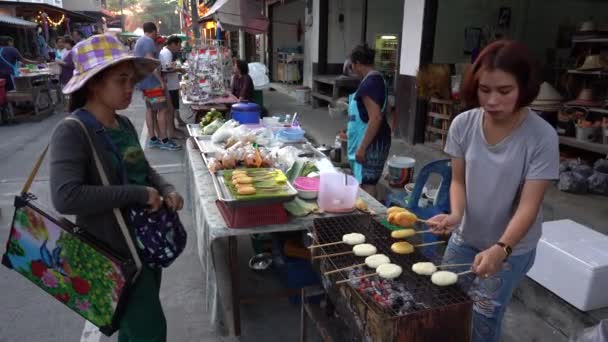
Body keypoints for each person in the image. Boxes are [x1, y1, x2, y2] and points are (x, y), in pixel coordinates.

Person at [49, 34, 184, 342]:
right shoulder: (72, 131)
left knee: (135, 327)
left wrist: (165, 188)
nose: (130, 88)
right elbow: (65, 196)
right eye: (121, 80)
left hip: (145, 245)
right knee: (149, 330)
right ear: (94, 83)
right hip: (115, 253)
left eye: (131, 80)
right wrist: (137, 194)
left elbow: (143, 170)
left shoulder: (122, 125)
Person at [427, 40, 559, 342]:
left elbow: (529, 206)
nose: (492, 100)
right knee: (446, 305)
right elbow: (458, 181)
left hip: (511, 248)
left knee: (483, 320)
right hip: (466, 236)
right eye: (485, 90)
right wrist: (456, 214)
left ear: (523, 88)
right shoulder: (463, 124)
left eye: (504, 91)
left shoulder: (542, 137)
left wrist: (502, 249)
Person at [346, 44, 391, 198]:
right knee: (368, 182)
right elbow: (389, 109)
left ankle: (368, 220)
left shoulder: (369, 84)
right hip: (377, 139)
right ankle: (368, 219)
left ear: (358, 63)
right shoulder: (378, 79)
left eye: (352, 64)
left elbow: (376, 117)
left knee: (367, 184)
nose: (352, 67)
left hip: (371, 143)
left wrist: (362, 148)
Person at [134, 22, 181, 151]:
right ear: (153, 31)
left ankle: (153, 139)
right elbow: (150, 62)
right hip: (152, 83)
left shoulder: (139, 42)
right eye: (156, 32)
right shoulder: (148, 41)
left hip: (144, 82)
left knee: (150, 110)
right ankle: (164, 140)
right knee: (162, 110)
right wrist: (160, 80)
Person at [159, 35, 187, 128]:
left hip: (171, 84)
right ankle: (172, 129)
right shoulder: (167, 53)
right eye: (178, 46)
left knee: (174, 106)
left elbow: (167, 67)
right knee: (171, 108)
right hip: (170, 85)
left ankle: (176, 124)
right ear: (173, 44)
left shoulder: (165, 52)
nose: (179, 48)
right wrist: (179, 70)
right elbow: (167, 69)